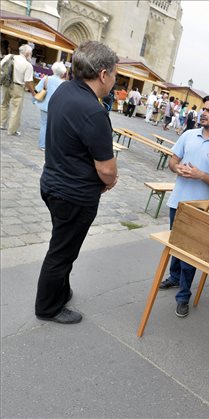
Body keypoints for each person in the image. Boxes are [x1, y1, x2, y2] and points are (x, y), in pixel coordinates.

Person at [35, 40, 119, 324]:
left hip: (53, 183)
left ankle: (60, 291)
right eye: (115, 74)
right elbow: (106, 168)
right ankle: (48, 307)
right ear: (104, 74)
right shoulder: (93, 111)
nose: (115, 80)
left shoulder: (66, 90)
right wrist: (109, 181)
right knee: (61, 252)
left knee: (62, 244)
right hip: (74, 194)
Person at [159, 95, 209, 318]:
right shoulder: (189, 135)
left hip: (201, 210)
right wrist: (177, 168)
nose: (203, 113)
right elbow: (173, 160)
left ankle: (183, 296)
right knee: (176, 244)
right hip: (177, 201)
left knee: (190, 253)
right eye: (203, 109)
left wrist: (201, 175)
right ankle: (174, 278)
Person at [0, 44, 35, 136]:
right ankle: (12, 130)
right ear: (27, 53)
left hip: (6, 84)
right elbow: (28, 82)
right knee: (16, 109)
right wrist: (33, 92)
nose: (31, 55)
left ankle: (1, 124)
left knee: (4, 104)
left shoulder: (9, 56)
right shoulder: (28, 65)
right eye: (31, 53)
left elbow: (1, 67)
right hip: (18, 87)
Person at [33, 61, 68, 151]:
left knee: (44, 124)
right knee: (53, 126)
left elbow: (37, 89)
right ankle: (51, 144)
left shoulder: (46, 78)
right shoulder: (63, 83)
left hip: (44, 105)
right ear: (63, 72)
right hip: (56, 107)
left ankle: (42, 145)